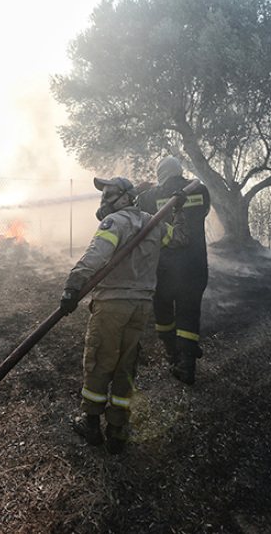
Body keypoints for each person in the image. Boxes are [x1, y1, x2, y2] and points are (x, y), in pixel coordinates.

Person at [59, 176, 187, 454]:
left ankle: (91, 424)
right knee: (125, 365)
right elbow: (178, 239)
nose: (104, 199)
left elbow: (95, 254)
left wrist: (72, 285)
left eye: (110, 194)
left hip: (113, 304)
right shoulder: (153, 223)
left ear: (127, 197)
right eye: (103, 194)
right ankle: (117, 429)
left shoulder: (115, 222)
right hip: (140, 306)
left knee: (99, 360)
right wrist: (178, 212)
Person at [136, 157, 211, 385]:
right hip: (196, 265)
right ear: (179, 171)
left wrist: (146, 189)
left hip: (164, 267)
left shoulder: (151, 197)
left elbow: (137, 209)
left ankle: (172, 354)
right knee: (189, 312)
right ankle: (187, 365)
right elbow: (204, 211)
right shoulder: (200, 190)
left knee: (163, 310)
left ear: (160, 174)